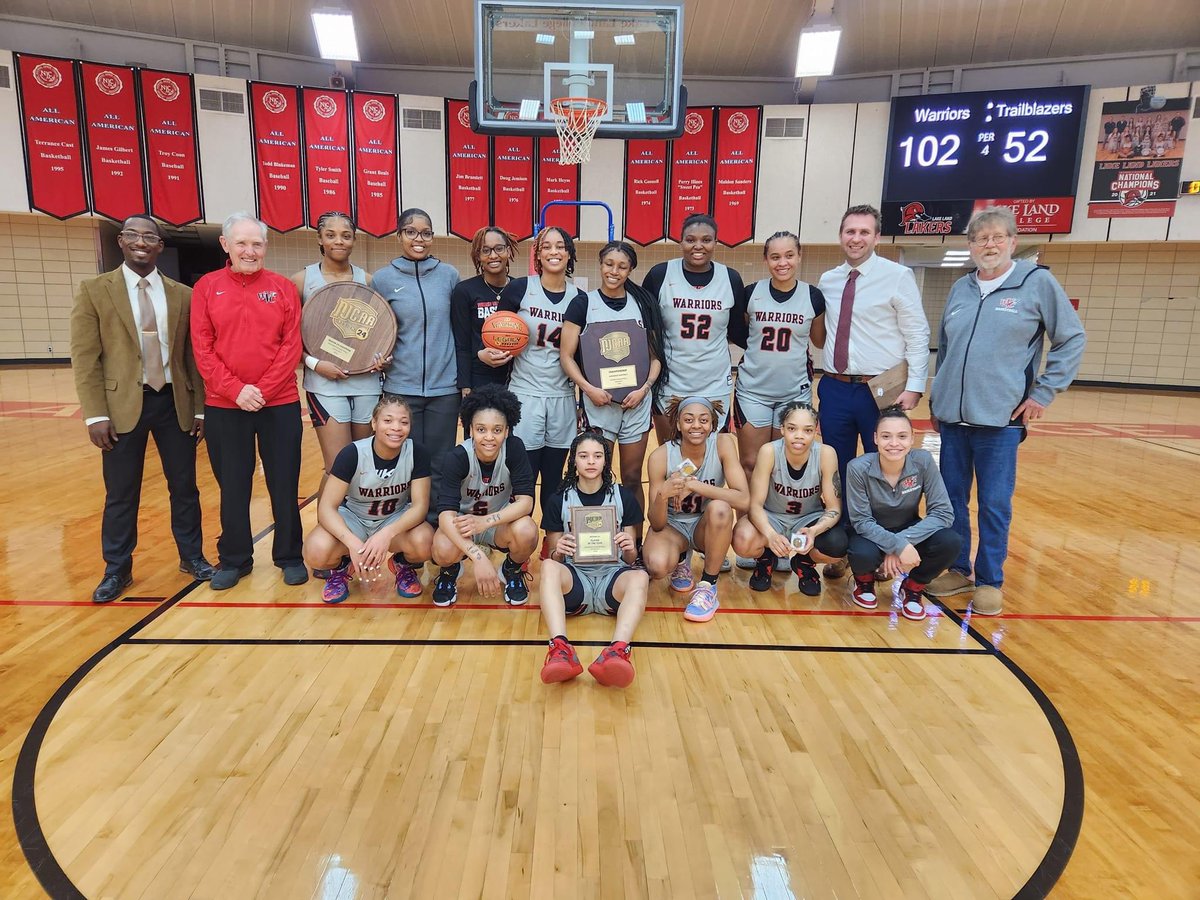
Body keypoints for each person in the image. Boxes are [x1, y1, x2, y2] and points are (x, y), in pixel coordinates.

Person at [928, 206, 1085, 616]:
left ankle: (990, 580)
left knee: (995, 503)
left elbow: (1071, 338)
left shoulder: (1037, 283)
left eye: (998, 237)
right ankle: (958, 569)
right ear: (971, 247)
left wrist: (1044, 393)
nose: (990, 245)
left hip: (1000, 421)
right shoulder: (961, 288)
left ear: (1013, 242)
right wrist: (938, 397)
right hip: (952, 420)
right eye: (981, 239)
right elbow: (946, 349)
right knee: (952, 500)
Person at [70, 215, 214, 603]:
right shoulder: (95, 290)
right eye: (133, 235)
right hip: (121, 408)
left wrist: (200, 408)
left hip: (174, 401)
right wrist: (95, 414)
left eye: (149, 236)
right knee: (121, 493)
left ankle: (192, 557)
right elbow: (85, 359)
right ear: (120, 241)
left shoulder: (182, 294)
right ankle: (117, 570)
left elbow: (192, 356)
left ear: (159, 246)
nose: (141, 241)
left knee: (184, 488)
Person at [190, 211, 305, 590]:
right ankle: (235, 559)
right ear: (226, 245)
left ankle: (289, 555)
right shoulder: (207, 287)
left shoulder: (283, 288)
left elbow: (292, 346)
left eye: (256, 243)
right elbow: (202, 348)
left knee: (284, 483)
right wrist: (236, 389)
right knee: (234, 485)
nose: (249, 251)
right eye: (241, 243)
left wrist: (263, 390)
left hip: (280, 402)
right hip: (226, 405)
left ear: (265, 247)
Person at [817, 204, 930, 580]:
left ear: (877, 237)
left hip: (880, 391)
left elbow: (917, 334)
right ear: (841, 235)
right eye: (850, 231)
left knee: (884, 469)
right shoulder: (830, 279)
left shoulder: (897, 276)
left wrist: (915, 386)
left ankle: (885, 550)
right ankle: (848, 549)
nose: (856, 238)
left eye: (864, 232)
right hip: (834, 386)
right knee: (842, 469)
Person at [558, 241, 666, 526]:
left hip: (636, 403)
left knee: (632, 477)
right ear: (600, 264)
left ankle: (636, 543)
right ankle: (596, 543)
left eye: (621, 266)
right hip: (598, 403)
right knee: (595, 476)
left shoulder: (642, 304)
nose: (614, 271)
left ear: (630, 269)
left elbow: (656, 358)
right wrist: (588, 388)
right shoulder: (583, 303)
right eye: (609, 264)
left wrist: (645, 389)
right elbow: (566, 356)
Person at [538, 430, 649, 687]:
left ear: (605, 461)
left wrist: (629, 546)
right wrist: (560, 549)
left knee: (641, 576)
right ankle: (560, 649)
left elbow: (631, 559)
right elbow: (555, 555)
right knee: (548, 567)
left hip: (613, 580)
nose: (591, 461)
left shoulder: (623, 497)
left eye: (597, 456)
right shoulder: (559, 500)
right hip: (576, 581)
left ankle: (617, 650)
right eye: (584, 456)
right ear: (573, 461)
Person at [302, 394, 433, 604]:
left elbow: (420, 506)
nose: (396, 427)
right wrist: (352, 543)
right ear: (374, 423)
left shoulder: (417, 453)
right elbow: (326, 508)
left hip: (393, 519)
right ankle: (341, 567)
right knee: (316, 551)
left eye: (404, 422)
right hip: (355, 519)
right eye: (388, 420)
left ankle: (403, 565)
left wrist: (387, 534)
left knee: (425, 542)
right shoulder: (352, 454)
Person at [290, 211, 387, 484]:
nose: (339, 241)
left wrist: (382, 359)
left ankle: (359, 525)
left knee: (364, 465)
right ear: (319, 238)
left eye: (346, 235)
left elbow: (381, 334)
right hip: (324, 385)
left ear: (354, 239)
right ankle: (330, 527)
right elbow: (286, 339)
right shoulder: (301, 281)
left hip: (367, 384)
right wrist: (315, 364)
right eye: (330, 235)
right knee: (337, 468)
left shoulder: (368, 281)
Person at [498, 226, 586, 515]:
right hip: (524, 394)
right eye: (547, 246)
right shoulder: (519, 289)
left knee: (555, 479)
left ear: (569, 253)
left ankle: (552, 543)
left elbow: (585, 355)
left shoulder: (581, 298)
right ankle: (519, 550)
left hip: (562, 397)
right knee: (522, 479)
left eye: (561, 246)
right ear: (538, 254)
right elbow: (496, 335)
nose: (554, 252)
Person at [844, 408, 960, 622]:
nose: (894, 443)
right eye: (886, 436)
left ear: (912, 438)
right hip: (870, 533)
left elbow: (943, 513)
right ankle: (864, 583)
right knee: (861, 553)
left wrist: (902, 542)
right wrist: (896, 545)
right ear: (876, 438)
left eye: (902, 436)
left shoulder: (923, 461)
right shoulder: (857, 468)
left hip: (909, 530)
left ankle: (913, 587)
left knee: (951, 541)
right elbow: (861, 521)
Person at [429, 384, 539, 607]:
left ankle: (512, 569)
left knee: (527, 530)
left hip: (496, 524)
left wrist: (486, 522)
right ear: (470, 429)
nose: (489, 437)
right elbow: (444, 516)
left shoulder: (515, 449)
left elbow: (526, 503)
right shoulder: (457, 456)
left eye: (497, 430)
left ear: (507, 431)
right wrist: (477, 557)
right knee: (441, 547)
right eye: (481, 430)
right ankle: (449, 572)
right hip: (464, 526)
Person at [642, 397, 749, 622]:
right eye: (688, 420)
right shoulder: (660, 457)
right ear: (678, 424)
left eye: (704, 420)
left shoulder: (723, 444)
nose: (696, 426)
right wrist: (664, 494)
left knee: (721, 508)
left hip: (704, 525)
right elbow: (657, 523)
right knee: (657, 566)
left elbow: (743, 499)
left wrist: (695, 485)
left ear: (712, 424)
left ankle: (708, 586)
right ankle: (681, 559)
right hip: (672, 527)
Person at [642, 213, 747, 441]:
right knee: (670, 453)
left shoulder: (730, 278)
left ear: (716, 243)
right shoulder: (659, 275)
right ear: (680, 242)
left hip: (714, 383)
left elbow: (739, 331)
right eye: (690, 240)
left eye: (706, 240)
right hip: (670, 382)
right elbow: (646, 329)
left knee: (712, 458)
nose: (698, 246)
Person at [734, 230, 827, 484]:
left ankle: (775, 520)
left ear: (799, 256)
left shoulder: (813, 296)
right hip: (753, 391)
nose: (782, 262)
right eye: (775, 257)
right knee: (751, 463)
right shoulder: (751, 293)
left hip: (794, 392)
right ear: (766, 259)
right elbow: (743, 335)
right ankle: (747, 521)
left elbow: (819, 340)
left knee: (782, 464)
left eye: (789, 255)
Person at [731, 401, 847, 595]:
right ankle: (766, 558)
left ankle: (804, 563)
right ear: (782, 429)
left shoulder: (826, 454)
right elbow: (756, 505)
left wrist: (814, 530)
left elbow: (834, 507)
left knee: (838, 546)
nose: (799, 436)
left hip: (807, 519)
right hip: (772, 517)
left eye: (807, 430)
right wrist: (770, 535)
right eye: (792, 428)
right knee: (742, 539)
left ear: (815, 431)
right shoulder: (769, 451)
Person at [375, 208, 461, 459]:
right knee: (403, 459)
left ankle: (435, 501)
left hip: (444, 389)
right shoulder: (382, 279)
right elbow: (375, 332)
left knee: (440, 461)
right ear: (399, 235)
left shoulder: (449, 276)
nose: (419, 239)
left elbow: (459, 327)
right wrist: (379, 357)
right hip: (400, 387)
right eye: (411, 232)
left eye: (425, 233)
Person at [451, 225, 519, 394]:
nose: (493, 255)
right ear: (478, 256)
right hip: (478, 378)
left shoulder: (521, 289)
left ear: (508, 251)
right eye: (486, 250)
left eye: (499, 249)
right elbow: (462, 343)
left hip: (517, 377)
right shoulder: (464, 291)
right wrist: (465, 385)